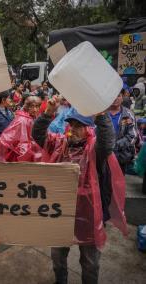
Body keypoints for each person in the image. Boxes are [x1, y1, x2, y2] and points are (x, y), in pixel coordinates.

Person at [32, 97, 128, 284]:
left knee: (90, 262)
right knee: (58, 258)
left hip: (89, 216)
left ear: (88, 129)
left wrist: (100, 114)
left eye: (79, 125)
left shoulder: (94, 150)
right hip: (61, 214)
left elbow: (107, 143)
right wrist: (48, 113)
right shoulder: (59, 144)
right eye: (71, 125)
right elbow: (38, 135)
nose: (73, 129)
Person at [0, 95, 42, 162]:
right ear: (27, 106)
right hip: (18, 158)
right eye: (32, 106)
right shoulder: (22, 120)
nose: (35, 109)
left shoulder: (32, 118)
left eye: (37, 106)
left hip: (27, 157)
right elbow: (5, 140)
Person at [108, 94, 138, 173]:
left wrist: (116, 146)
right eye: (113, 95)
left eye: (118, 95)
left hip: (120, 156)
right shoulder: (101, 113)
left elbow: (133, 136)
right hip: (102, 154)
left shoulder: (128, 114)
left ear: (122, 98)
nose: (115, 98)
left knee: (117, 181)